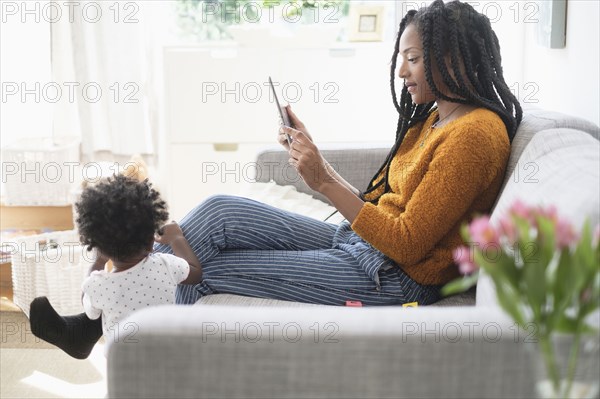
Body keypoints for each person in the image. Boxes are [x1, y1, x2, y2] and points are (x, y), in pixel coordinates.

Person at [30, 0, 521, 359]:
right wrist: (318, 164)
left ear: (455, 58)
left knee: (197, 270)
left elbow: (408, 243)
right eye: (404, 57)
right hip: (363, 246)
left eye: (412, 58)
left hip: (393, 278)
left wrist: (322, 183)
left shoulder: (474, 136)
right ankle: (96, 321)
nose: (400, 71)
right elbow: (386, 206)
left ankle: (102, 327)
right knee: (220, 211)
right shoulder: (436, 117)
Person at [30, 175, 202, 358]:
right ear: (152, 241)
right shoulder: (166, 264)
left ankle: (77, 335)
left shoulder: (97, 286)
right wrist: (177, 239)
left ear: (96, 244)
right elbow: (196, 274)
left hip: (121, 359)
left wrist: (98, 262)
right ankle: (76, 335)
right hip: (169, 354)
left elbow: (91, 313)